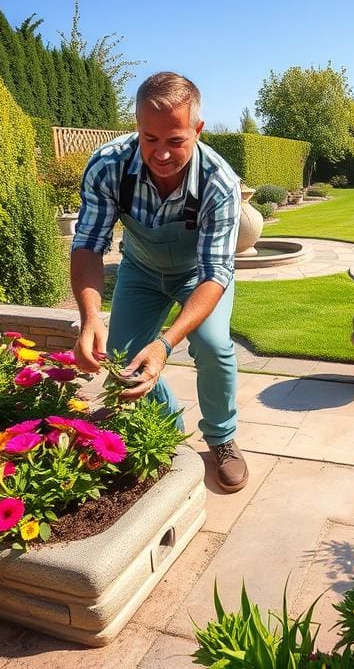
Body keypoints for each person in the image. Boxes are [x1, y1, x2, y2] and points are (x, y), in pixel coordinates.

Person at [70, 72, 248, 492]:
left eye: (175, 140)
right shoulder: (108, 165)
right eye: (150, 139)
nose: (162, 153)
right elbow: (88, 244)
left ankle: (222, 438)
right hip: (141, 271)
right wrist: (90, 316)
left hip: (198, 277)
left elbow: (215, 272)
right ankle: (167, 433)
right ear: (136, 125)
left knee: (213, 344)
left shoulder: (218, 182)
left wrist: (166, 344)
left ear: (197, 129)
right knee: (122, 355)